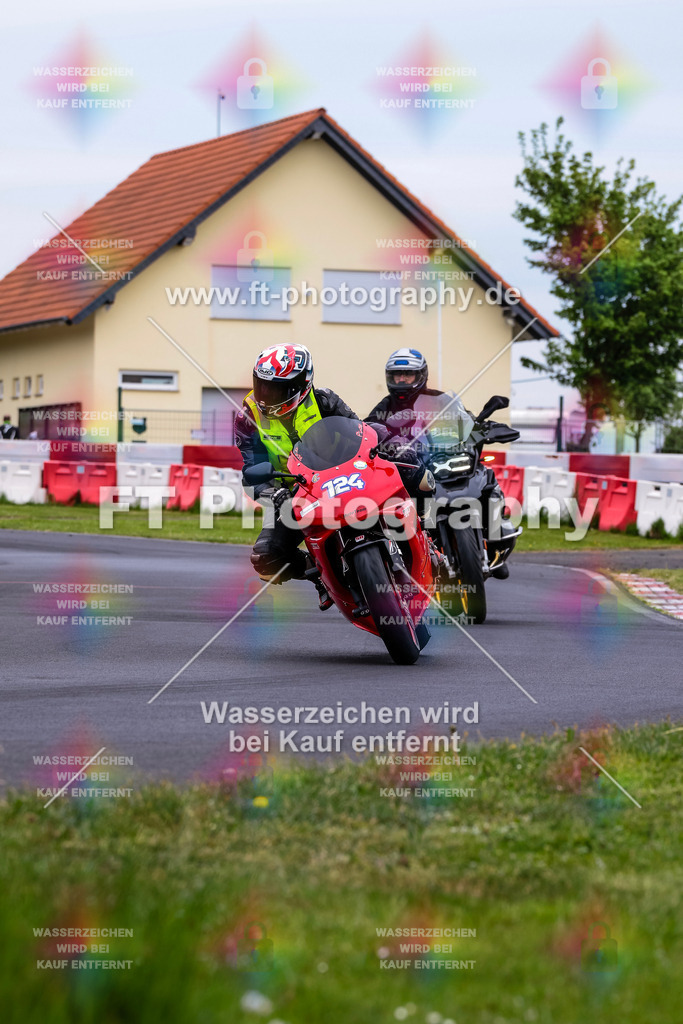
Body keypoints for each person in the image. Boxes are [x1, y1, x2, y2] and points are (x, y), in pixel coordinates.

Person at [236, 344, 430, 608]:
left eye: (276, 388)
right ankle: (319, 573)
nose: (266, 395)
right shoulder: (247, 417)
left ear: (301, 385)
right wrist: (274, 494)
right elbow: (252, 470)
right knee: (265, 559)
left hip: (347, 471)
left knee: (414, 468)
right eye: (262, 386)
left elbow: (359, 429)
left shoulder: (324, 400)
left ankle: (426, 528)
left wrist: (389, 442)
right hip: (294, 493)